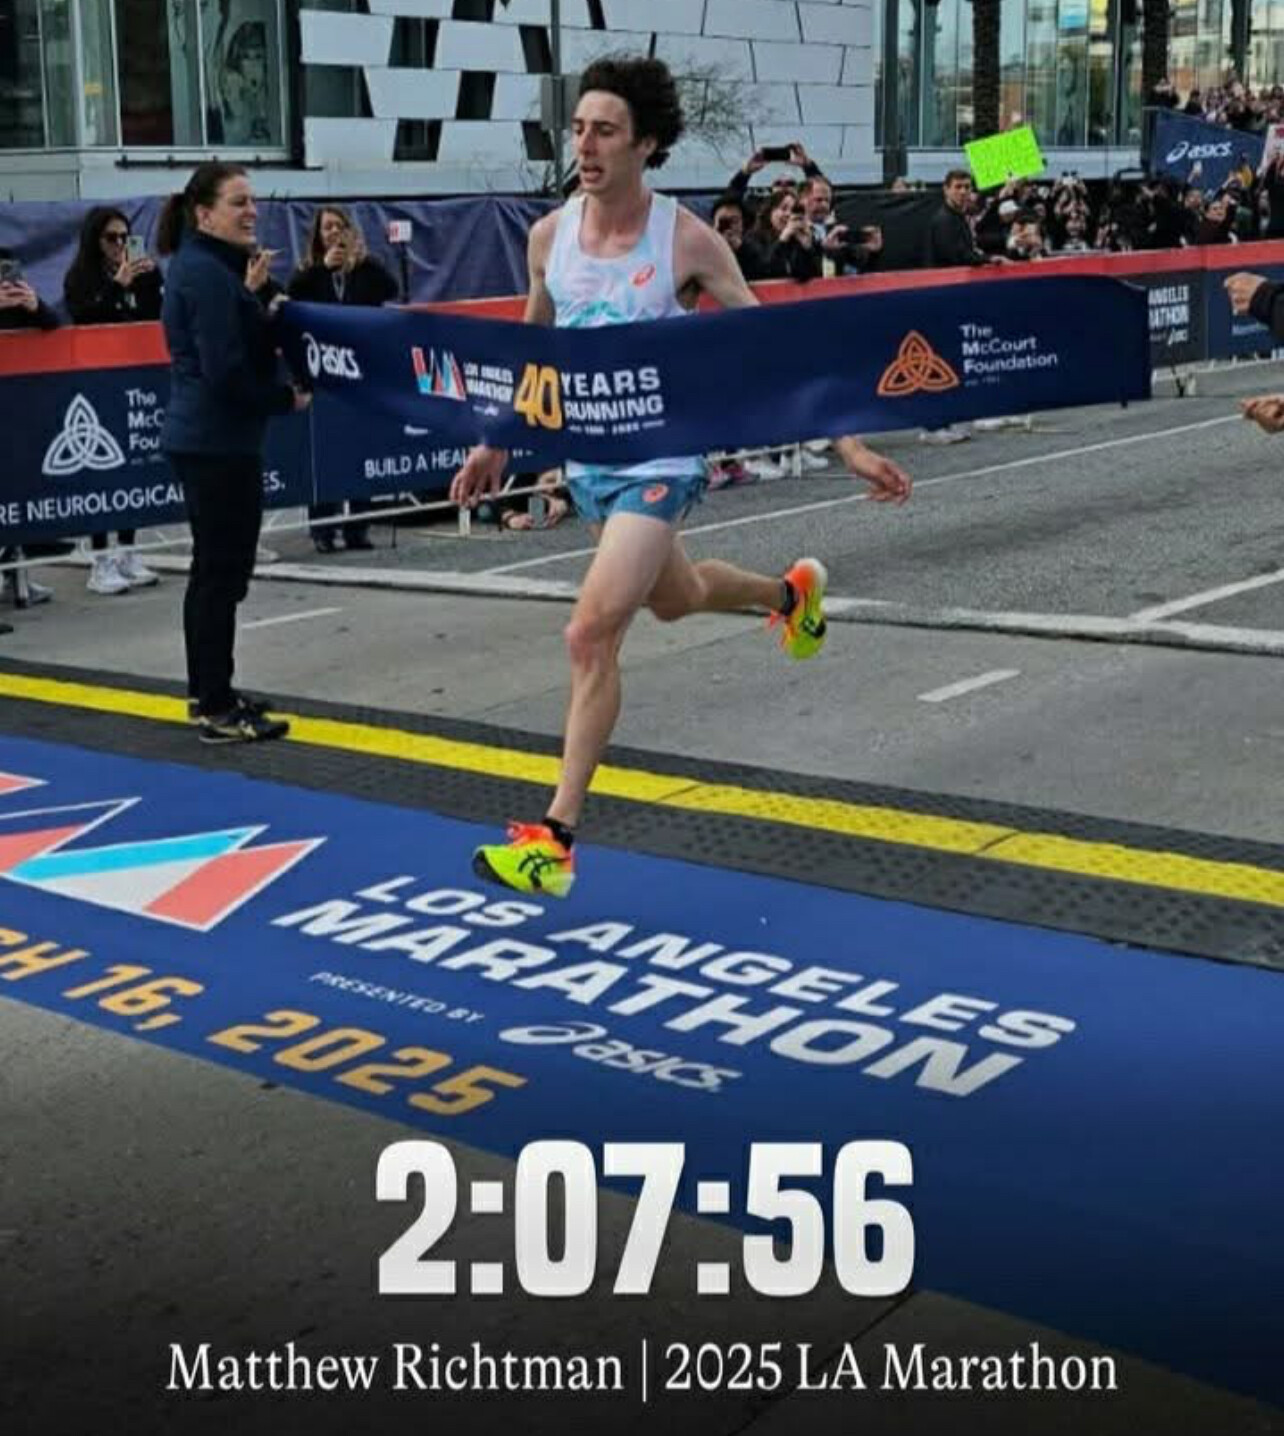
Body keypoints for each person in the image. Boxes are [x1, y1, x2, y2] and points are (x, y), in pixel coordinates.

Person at [450, 55, 911, 898]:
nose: (585, 146)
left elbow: (773, 351)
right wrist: (496, 442)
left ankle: (555, 841)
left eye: (605, 131)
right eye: (579, 129)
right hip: (590, 466)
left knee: (590, 634)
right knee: (678, 595)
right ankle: (790, 596)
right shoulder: (549, 237)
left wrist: (846, 447)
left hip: (662, 463)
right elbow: (533, 353)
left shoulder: (686, 240)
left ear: (646, 144)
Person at [157, 161, 310, 744]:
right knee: (221, 576)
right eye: (238, 202)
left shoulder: (214, 268)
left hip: (215, 440)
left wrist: (259, 299)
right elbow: (225, 371)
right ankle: (216, 707)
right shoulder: (204, 273)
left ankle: (210, 693)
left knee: (216, 574)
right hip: (215, 441)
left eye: (252, 200)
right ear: (204, 214)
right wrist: (285, 399)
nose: (251, 211)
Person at [63, 206, 164, 596]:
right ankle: (100, 558)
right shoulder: (81, 277)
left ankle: (127, 550)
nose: (120, 244)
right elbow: (84, 319)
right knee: (103, 471)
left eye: (125, 236)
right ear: (95, 240)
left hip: (136, 377)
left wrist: (151, 280)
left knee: (135, 465)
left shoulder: (141, 273)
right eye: (111, 238)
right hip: (97, 380)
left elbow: (155, 317)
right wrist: (117, 286)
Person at [288, 205, 398, 553]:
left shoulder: (365, 268)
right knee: (327, 453)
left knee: (361, 449)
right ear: (318, 235)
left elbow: (391, 289)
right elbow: (293, 299)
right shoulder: (308, 272)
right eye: (328, 228)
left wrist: (361, 262)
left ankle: (358, 527)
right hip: (323, 371)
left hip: (361, 370)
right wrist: (324, 269)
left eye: (340, 226)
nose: (334, 233)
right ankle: (323, 528)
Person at [1, 250, 59, 608]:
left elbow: (55, 325)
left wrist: (34, 305)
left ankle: (17, 576)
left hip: (16, 409)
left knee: (16, 495)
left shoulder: (18, 301)